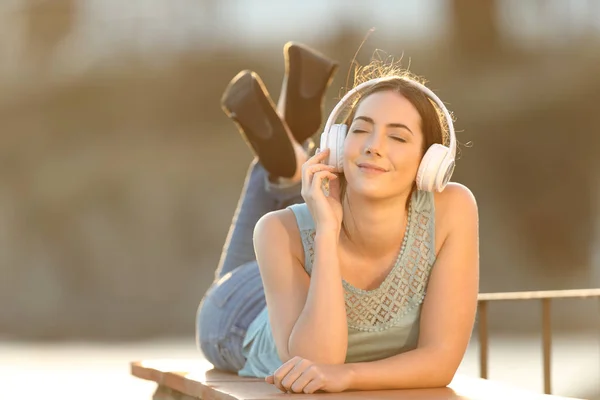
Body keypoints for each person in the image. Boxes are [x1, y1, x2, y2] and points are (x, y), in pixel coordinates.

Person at [196, 42, 479, 395]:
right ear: (340, 143)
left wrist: (348, 377)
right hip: (237, 316)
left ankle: (289, 166)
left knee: (287, 219)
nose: (374, 145)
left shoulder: (453, 209)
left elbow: (441, 360)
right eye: (361, 130)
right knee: (267, 242)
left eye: (397, 136)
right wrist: (326, 232)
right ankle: (290, 166)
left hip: (291, 271)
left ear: (429, 162)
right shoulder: (277, 232)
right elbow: (319, 361)